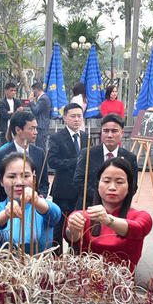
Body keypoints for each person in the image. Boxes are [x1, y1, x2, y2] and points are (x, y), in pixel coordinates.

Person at [65, 157, 153, 270]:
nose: (112, 187)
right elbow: (72, 238)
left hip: (124, 284)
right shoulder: (82, 216)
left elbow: (138, 228)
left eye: (119, 182)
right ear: (98, 185)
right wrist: (72, 229)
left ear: (129, 187)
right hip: (88, 283)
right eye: (106, 181)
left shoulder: (141, 217)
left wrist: (108, 220)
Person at [0, 153, 61, 254]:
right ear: (1, 181)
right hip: (5, 268)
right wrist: (6, 214)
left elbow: (56, 213)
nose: (19, 182)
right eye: (12, 176)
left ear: (34, 178)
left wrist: (36, 200)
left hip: (40, 268)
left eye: (25, 176)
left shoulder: (42, 207)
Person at [74, 114, 138, 209]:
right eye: (106, 131)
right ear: (101, 132)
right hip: (89, 207)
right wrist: (103, 197)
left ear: (122, 133)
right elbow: (78, 181)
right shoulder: (87, 154)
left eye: (114, 131)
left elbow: (132, 186)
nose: (109, 135)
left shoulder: (129, 157)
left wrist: (114, 199)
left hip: (118, 209)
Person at [48, 103, 89, 245]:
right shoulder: (57, 138)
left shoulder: (85, 136)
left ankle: (76, 258)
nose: (77, 119)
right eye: (73, 116)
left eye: (79, 116)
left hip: (81, 191)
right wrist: (76, 162)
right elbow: (52, 161)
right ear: (65, 118)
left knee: (78, 227)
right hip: (63, 190)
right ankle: (57, 258)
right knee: (59, 228)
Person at [0, 109, 50, 201]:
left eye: (36, 128)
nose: (36, 132)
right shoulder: (2, 154)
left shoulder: (39, 153)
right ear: (18, 130)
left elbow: (44, 182)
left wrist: (41, 196)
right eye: (31, 128)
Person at [31, 82, 53, 150]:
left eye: (33, 91)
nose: (33, 93)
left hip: (41, 126)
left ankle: (42, 160)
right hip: (43, 126)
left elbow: (36, 111)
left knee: (40, 147)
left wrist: (31, 102)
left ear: (37, 90)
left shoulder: (43, 99)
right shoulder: (44, 98)